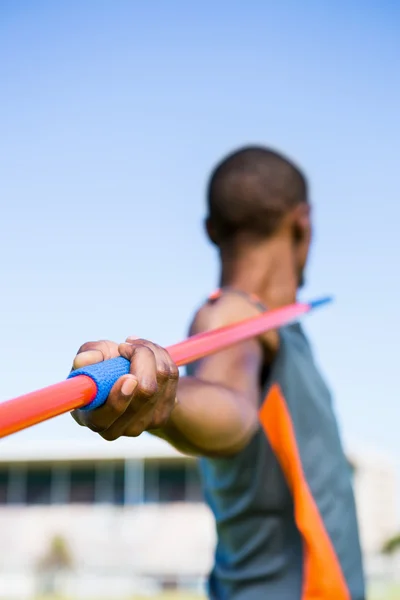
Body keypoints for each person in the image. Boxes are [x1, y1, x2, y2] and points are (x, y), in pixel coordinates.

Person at [71, 146, 365, 600]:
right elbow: (230, 403)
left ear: (211, 230)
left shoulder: (275, 326)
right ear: (302, 222)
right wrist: (162, 400)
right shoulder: (229, 315)